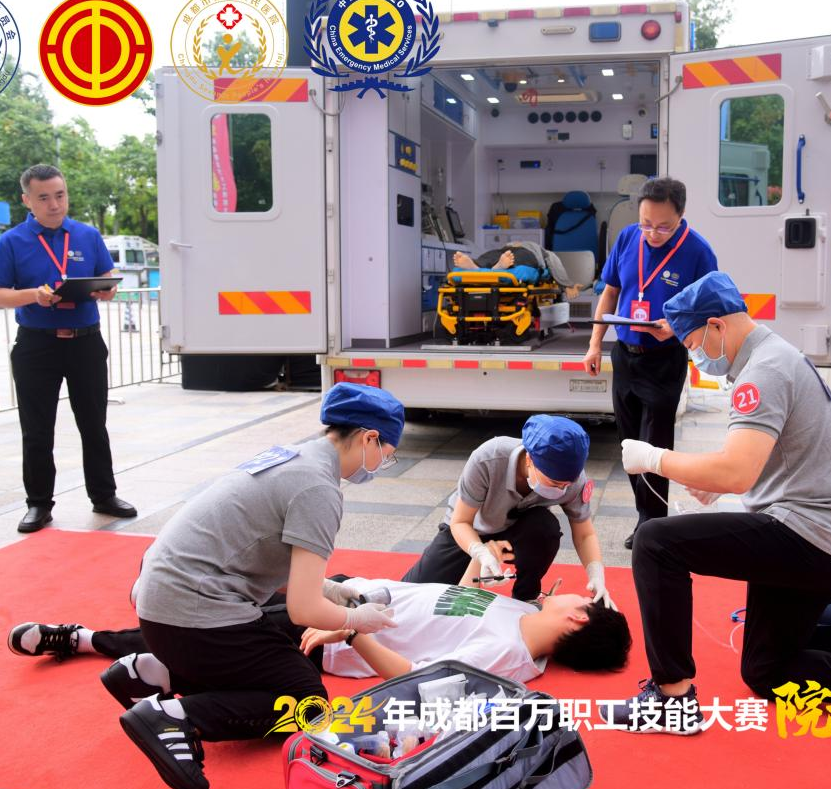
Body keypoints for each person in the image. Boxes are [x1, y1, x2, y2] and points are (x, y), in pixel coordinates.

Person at [599, 272, 831, 750]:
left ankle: (671, 699)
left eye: (692, 344)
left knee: (655, 541)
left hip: (808, 535)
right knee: (768, 671)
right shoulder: (777, 356)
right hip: (829, 541)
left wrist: (654, 458)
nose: (696, 356)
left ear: (716, 325)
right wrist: (714, 483)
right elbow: (764, 456)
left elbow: (737, 471)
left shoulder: (762, 372)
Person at [117, 383, 405, 789]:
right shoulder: (319, 489)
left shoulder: (292, 456)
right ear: (369, 438)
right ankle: (174, 718)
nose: (382, 464)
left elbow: (264, 558)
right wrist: (357, 619)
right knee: (307, 702)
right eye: (387, 454)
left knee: (277, 654)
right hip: (191, 615)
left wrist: (333, 591)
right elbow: (304, 610)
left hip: (162, 604)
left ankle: (155, 673)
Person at [8, 577, 632, 688]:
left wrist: (350, 633)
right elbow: (438, 604)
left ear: (577, 619)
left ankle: (83, 640)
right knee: (232, 607)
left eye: (582, 600)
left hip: (330, 635)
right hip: (348, 597)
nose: (572, 592)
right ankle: (168, 667)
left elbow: (418, 679)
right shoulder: (519, 613)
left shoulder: (507, 654)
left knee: (221, 627)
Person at [582, 177, 718, 548]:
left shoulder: (698, 252)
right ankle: (646, 514)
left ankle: (653, 524)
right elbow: (610, 292)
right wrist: (594, 344)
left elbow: (709, 309)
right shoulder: (628, 238)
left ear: (681, 215)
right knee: (629, 444)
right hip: (626, 356)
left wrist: (676, 327)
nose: (653, 233)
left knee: (654, 446)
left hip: (664, 360)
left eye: (663, 226)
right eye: (646, 224)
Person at [0, 164, 136, 533]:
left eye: (60, 195)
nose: (54, 204)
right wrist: (34, 295)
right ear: (27, 200)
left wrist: (107, 289)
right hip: (36, 345)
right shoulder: (12, 241)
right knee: (37, 428)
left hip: (85, 343)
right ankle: (38, 504)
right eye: (44, 197)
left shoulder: (87, 235)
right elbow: (2, 294)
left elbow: (106, 276)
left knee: (94, 424)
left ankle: (104, 496)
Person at [403, 415, 614, 606]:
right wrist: (480, 553)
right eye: (554, 483)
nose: (562, 489)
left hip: (515, 533)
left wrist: (596, 575)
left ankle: (526, 596)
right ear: (529, 460)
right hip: (468, 531)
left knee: (545, 528)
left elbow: (584, 533)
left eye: (566, 484)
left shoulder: (573, 479)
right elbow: (460, 522)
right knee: (413, 595)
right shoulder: (489, 458)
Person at [452, 242, 586, 299]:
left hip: (502, 250)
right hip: (525, 254)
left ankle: (475, 266)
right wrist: (567, 285)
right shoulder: (542, 251)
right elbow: (555, 264)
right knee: (515, 260)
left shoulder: (510, 247)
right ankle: (499, 268)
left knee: (488, 258)